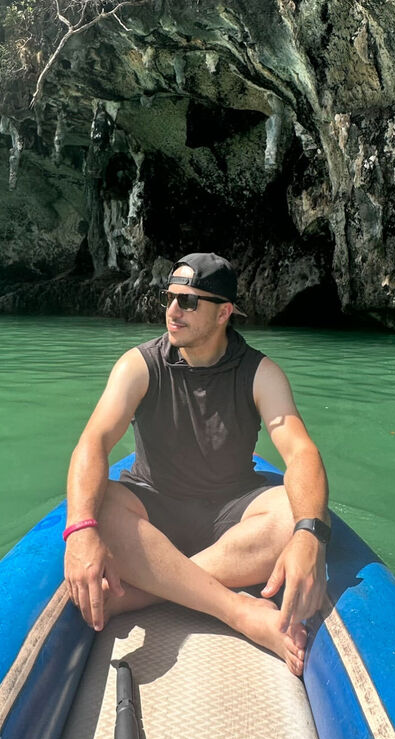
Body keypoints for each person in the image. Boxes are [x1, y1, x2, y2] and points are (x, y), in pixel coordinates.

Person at [64, 253, 330, 675]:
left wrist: (309, 535)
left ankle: (147, 592)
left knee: (291, 515)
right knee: (100, 509)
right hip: (152, 509)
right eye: (169, 298)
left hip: (231, 514)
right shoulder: (139, 365)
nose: (173, 311)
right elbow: (92, 443)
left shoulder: (261, 373)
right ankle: (235, 610)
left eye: (188, 302)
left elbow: (301, 453)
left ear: (224, 313)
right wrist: (80, 531)